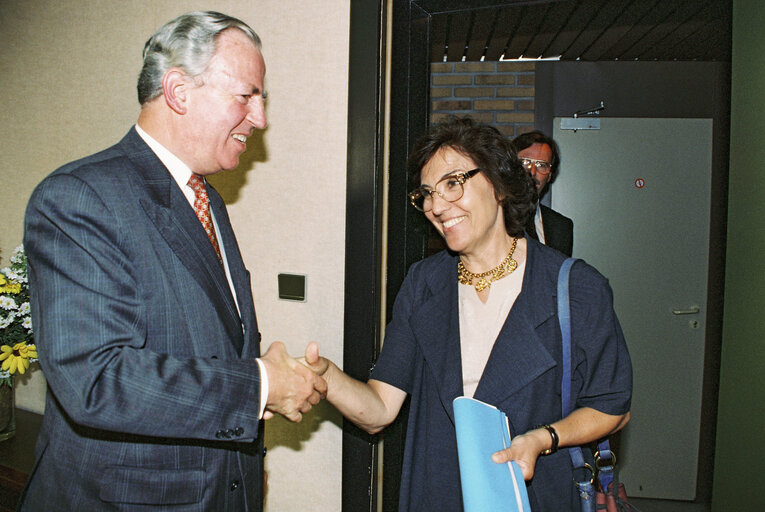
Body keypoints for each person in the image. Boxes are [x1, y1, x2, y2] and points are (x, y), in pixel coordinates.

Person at [20, 11, 326, 512]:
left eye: (262, 100)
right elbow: (96, 380)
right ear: (180, 91)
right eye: (246, 96)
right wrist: (263, 383)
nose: (260, 118)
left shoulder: (207, 199)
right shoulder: (78, 197)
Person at [303, 117, 632, 511]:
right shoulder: (425, 283)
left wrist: (543, 438)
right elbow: (379, 410)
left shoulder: (575, 288)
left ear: (498, 184)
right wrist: (328, 378)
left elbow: (613, 407)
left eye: (453, 183)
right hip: (437, 491)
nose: (436, 207)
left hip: (531, 494)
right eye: (426, 193)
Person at [512, 130, 574, 256]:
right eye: (525, 162)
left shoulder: (561, 227)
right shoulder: (491, 217)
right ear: (510, 167)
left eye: (541, 165)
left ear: (550, 176)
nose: (532, 171)